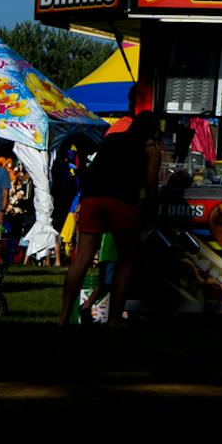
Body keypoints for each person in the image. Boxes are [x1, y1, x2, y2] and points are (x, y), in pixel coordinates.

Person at [58, 111, 162, 326]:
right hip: (123, 201)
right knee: (126, 261)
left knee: (82, 260)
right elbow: (152, 187)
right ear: (152, 132)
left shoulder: (112, 139)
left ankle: (63, 318)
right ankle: (114, 319)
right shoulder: (150, 150)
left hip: (93, 198)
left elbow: (93, 169)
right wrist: (150, 211)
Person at [3, 157, 34, 266]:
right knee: (13, 234)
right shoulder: (17, 182)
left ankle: (23, 259)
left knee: (25, 235)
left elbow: (28, 200)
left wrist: (18, 204)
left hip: (25, 212)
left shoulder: (30, 183)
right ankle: (15, 258)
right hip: (15, 212)